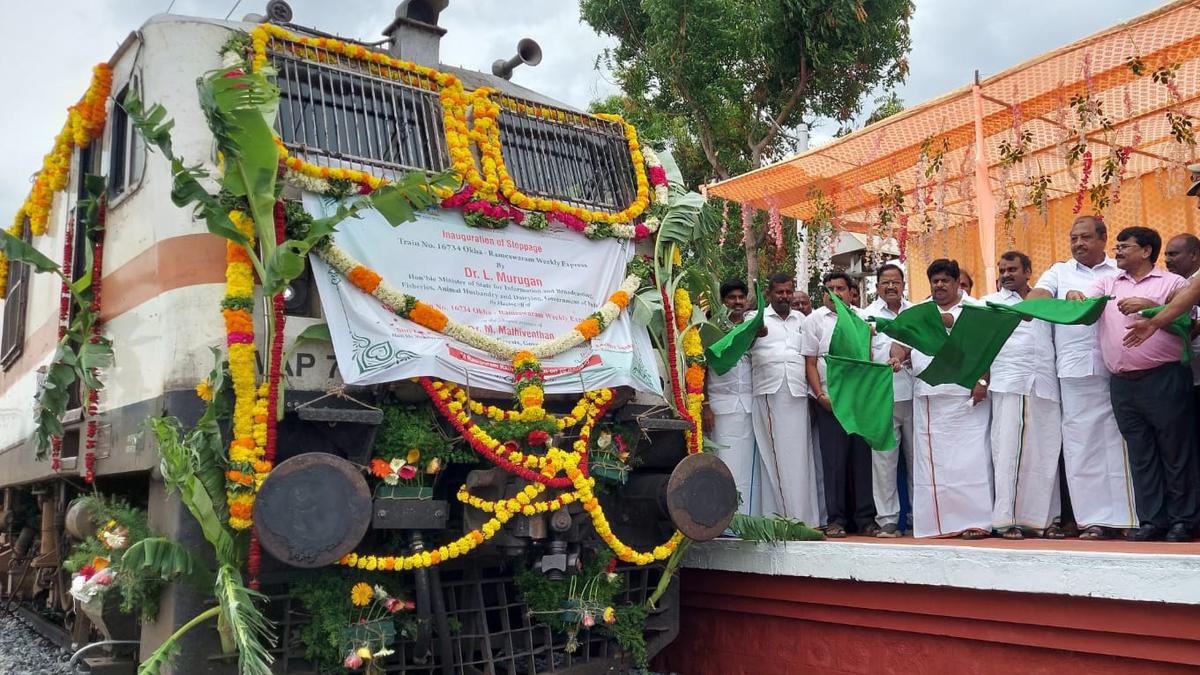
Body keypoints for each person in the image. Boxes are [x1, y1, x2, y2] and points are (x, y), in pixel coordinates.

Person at [1069, 226, 1198, 542]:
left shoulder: (1174, 283)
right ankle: (1152, 520)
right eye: (1118, 245)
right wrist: (1075, 296)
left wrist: (1149, 308)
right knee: (1141, 455)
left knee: (1176, 451)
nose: (1119, 250)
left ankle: (1183, 521)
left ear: (1146, 251)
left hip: (1164, 378)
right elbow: (1086, 302)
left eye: (1126, 246)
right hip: (1123, 384)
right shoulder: (1108, 282)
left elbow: (1190, 325)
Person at [1028, 215, 1137, 539]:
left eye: (1086, 237)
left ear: (1104, 239)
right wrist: (1066, 301)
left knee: (1120, 444)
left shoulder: (1120, 272)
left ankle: (1126, 518)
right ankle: (1093, 521)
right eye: (1074, 238)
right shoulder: (1059, 272)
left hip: (1116, 368)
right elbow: (1034, 300)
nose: (1078, 243)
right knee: (1080, 446)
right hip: (1073, 373)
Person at [892, 259, 993, 539]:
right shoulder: (919, 313)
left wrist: (983, 381)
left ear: (956, 282)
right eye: (934, 280)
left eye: (944, 280)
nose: (939, 285)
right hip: (929, 398)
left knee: (971, 462)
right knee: (934, 466)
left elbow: (986, 348)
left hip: (965, 398)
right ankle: (938, 525)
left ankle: (976, 522)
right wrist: (896, 358)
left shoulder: (974, 310)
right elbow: (900, 342)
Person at [982, 251, 1062, 539]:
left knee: (1046, 452)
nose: (1006, 274)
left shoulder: (1047, 302)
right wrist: (980, 379)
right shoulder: (990, 304)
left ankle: (1045, 520)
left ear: (1028, 271)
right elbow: (981, 348)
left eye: (1012, 269)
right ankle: (1008, 520)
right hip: (1009, 384)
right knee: (1008, 454)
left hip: (1044, 383)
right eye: (1002, 270)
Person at [802, 271, 877, 537]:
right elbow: (810, 363)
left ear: (851, 292)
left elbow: (867, 359)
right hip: (829, 402)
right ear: (823, 294)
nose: (835, 293)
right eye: (829, 289)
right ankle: (836, 520)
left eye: (841, 288)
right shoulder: (814, 320)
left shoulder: (862, 318)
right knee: (833, 462)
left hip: (857, 401)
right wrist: (820, 396)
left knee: (861, 460)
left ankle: (865, 520)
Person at [747, 272, 822, 524]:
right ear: (769, 293)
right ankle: (783, 518)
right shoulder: (755, 318)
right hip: (770, 391)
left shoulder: (801, 319)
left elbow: (811, 354)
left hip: (798, 391)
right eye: (780, 292)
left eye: (789, 291)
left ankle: (804, 518)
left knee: (800, 456)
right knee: (777, 456)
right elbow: (741, 345)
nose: (785, 296)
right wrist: (753, 332)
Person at [864, 263, 913, 538]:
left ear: (903, 285)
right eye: (885, 282)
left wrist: (906, 356)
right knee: (883, 461)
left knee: (919, 457)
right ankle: (888, 520)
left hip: (916, 393)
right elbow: (860, 353)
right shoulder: (865, 316)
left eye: (895, 281)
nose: (891, 286)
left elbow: (926, 344)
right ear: (877, 286)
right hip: (881, 396)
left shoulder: (916, 312)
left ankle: (920, 517)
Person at [703, 280, 759, 516]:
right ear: (723, 301)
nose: (737, 302)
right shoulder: (709, 329)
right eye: (731, 298)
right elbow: (701, 369)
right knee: (723, 462)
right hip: (720, 407)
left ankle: (745, 518)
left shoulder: (753, 327)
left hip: (749, 405)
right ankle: (722, 517)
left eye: (741, 297)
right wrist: (705, 405)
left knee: (747, 467)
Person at [1163, 234, 1200, 431]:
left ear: (1194, 255)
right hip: (1185, 379)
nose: (1167, 260)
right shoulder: (1171, 285)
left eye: (1173, 254)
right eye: (1166, 255)